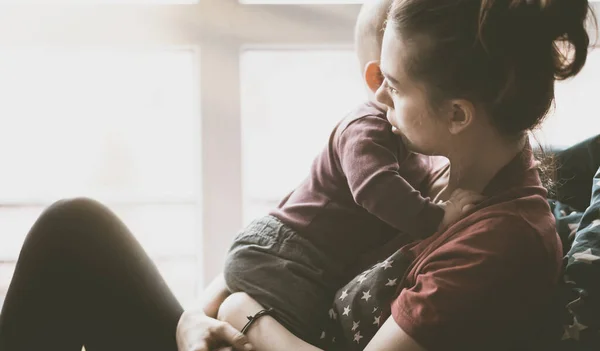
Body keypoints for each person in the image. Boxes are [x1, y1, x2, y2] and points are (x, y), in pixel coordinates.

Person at [185, 0, 595, 350]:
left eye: (395, 86)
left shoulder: (499, 248)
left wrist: (245, 314)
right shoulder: (435, 165)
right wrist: (191, 319)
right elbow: (293, 242)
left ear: (457, 114)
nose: (378, 97)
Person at [220, 0, 482, 348]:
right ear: (379, 79)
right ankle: (237, 312)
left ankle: (239, 314)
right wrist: (437, 218)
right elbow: (376, 189)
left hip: (313, 266)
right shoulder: (366, 128)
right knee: (315, 334)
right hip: (282, 256)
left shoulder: (417, 147)